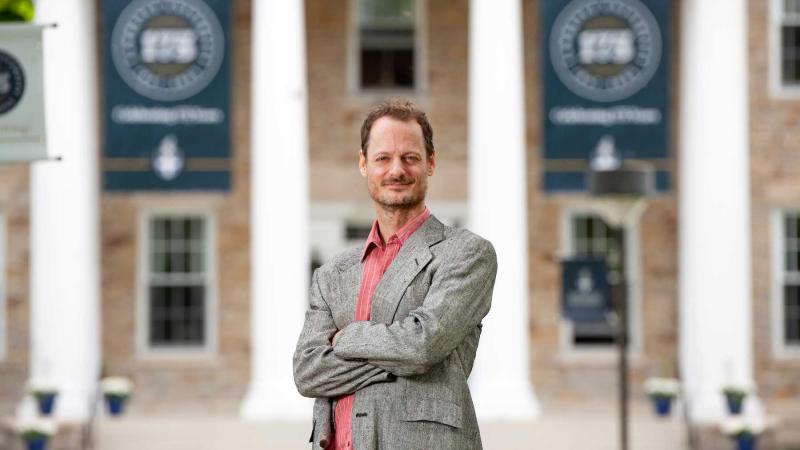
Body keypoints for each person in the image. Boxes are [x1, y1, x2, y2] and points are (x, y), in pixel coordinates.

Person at [293, 99, 497, 450]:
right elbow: (308, 372)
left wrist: (346, 339)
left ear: (430, 163)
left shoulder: (466, 253)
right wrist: (401, 359)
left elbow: (423, 345)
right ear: (364, 164)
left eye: (410, 157)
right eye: (383, 158)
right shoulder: (331, 274)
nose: (397, 170)